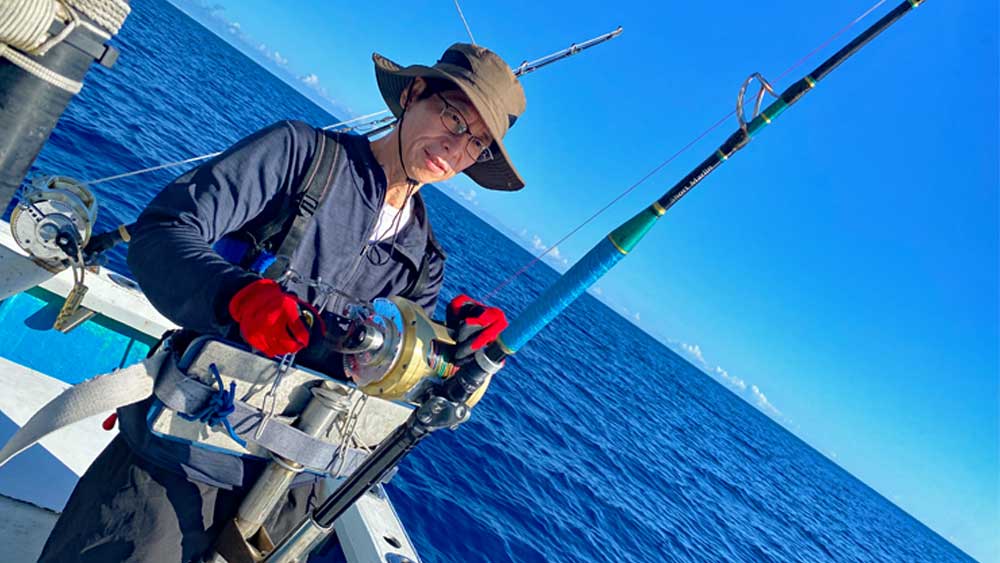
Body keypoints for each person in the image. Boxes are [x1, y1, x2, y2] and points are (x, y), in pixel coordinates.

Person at [39, 42, 527, 563]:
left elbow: (385, 383)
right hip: (182, 455)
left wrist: (455, 351)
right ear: (413, 94)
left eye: (475, 143)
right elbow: (162, 234)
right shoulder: (301, 155)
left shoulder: (423, 260)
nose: (454, 147)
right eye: (452, 117)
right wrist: (237, 296)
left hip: (291, 493)